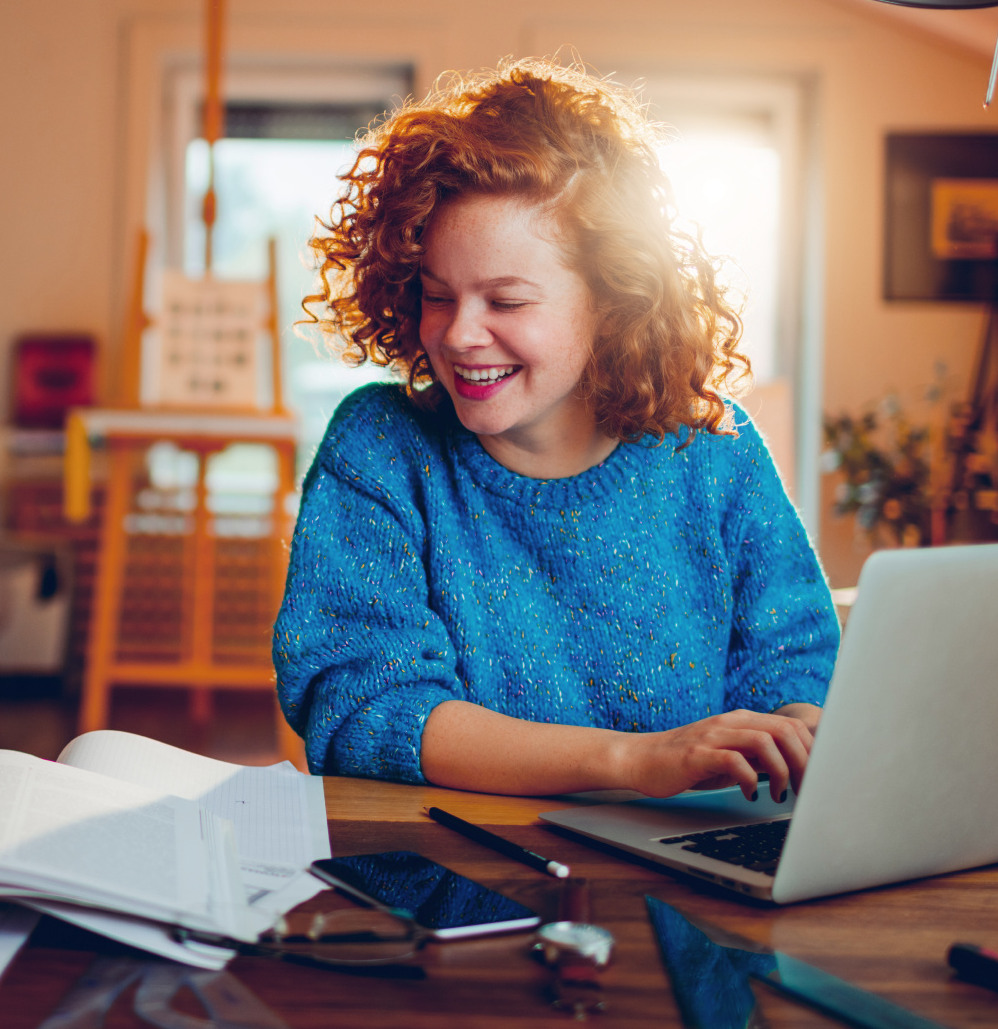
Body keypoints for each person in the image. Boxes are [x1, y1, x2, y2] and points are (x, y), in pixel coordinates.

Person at [273, 60, 837, 800]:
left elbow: (793, 662)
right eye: (437, 295)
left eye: (506, 301)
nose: (459, 333)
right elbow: (364, 708)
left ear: (612, 299)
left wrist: (797, 730)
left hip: (690, 877)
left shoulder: (714, 450)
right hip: (456, 882)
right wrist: (635, 761)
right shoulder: (380, 449)